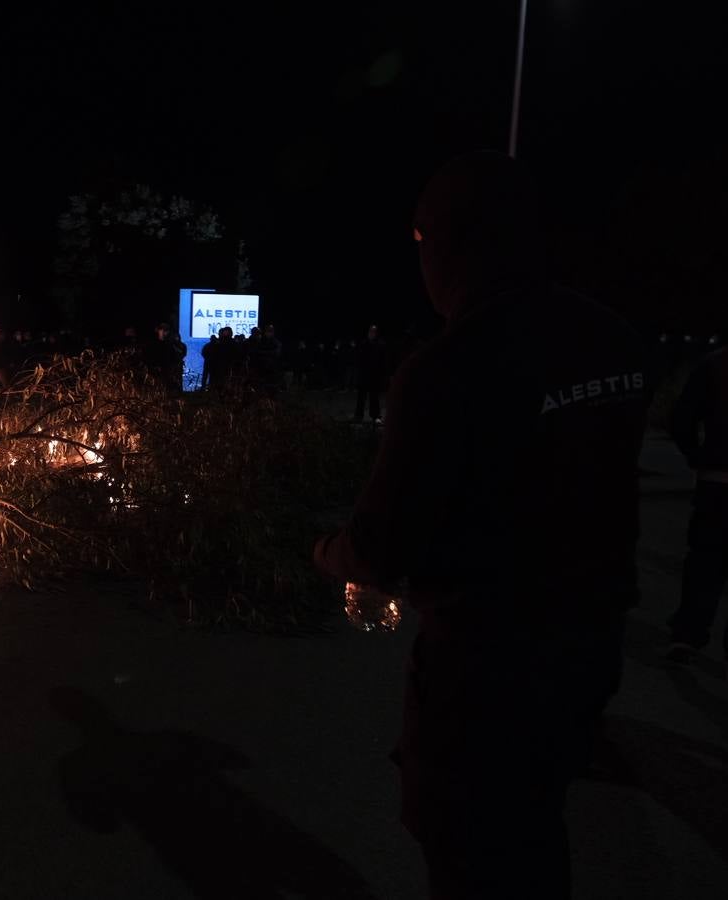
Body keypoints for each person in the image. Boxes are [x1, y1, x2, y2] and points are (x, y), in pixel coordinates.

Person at [313, 152, 648, 900]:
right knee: (534, 830)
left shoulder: (447, 369)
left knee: (466, 846)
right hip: (587, 650)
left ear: (448, 246)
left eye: (422, 246)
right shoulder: (614, 340)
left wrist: (325, 552)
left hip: (486, 672)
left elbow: (379, 547)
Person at [666, 345, 728, 662]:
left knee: (705, 560)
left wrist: (698, 458)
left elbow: (681, 420)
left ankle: (689, 633)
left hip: (717, 479)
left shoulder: (715, 365)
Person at [355, 325, 389, 422]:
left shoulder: (381, 344)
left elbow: (384, 361)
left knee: (374, 397)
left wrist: (383, 375)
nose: (372, 334)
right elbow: (359, 359)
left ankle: (375, 416)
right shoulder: (364, 344)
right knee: (361, 397)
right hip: (364, 375)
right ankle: (358, 416)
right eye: (370, 331)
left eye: (374, 332)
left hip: (375, 376)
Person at [141, 322, 186, 390]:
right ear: (159, 330)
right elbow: (148, 355)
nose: (165, 333)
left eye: (166, 331)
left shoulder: (170, 344)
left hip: (166, 369)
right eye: (163, 330)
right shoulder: (152, 343)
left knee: (165, 385)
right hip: (154, 369)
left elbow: (174, 355)